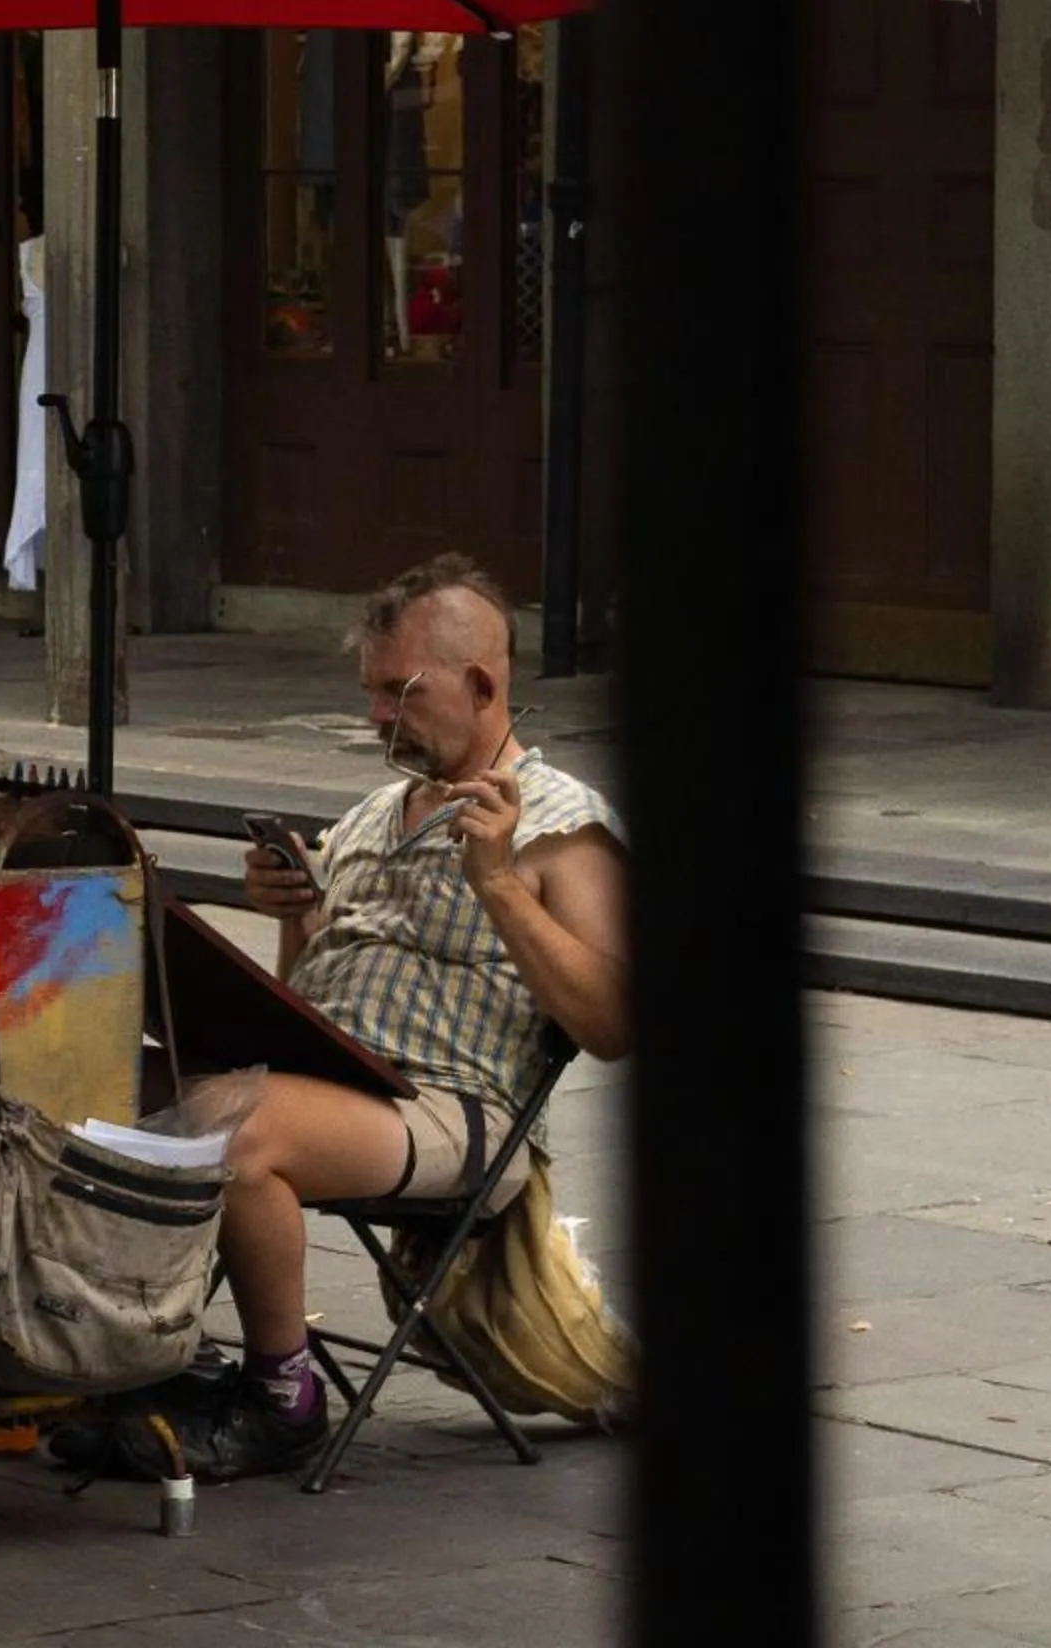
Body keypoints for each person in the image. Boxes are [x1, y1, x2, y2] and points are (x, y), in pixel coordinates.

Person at [61, 553, 630, 1483]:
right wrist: (294, 917)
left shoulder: (565, 823)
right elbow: (314, 986)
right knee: (81, 1088)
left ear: (483, 684)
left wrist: (499, 887)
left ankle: (286, 1396)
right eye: (371, 692)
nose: (376, 717)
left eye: (397, 694)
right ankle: (133, 1359)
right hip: (330, 1077)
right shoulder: (372, 814)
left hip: (455, 1109)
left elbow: (613, 1022)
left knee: (237, 1130)